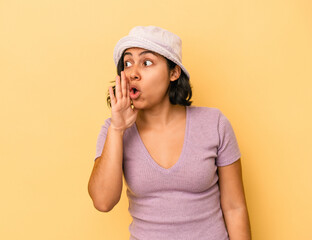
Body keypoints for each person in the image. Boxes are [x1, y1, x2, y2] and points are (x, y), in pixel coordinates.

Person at [88, 26, 251, 240]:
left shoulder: (214, 124)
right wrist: (117, 129)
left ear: (174, 73)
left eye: (146, 63)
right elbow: (102, 202)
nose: (133, 73)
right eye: (127, 63)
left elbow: (234, 208)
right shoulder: (113, 130)